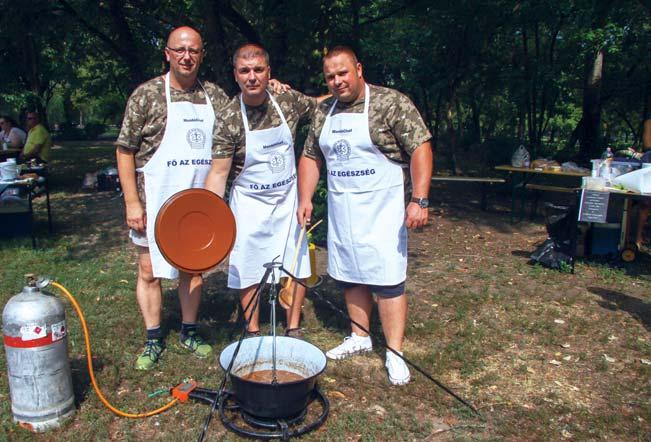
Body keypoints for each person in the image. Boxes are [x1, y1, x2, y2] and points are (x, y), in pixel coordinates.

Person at [297, 46, 433, 385]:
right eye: (330, 77)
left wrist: (420, 199)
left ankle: (395, 351)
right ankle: (359, 336)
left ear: (358, 68)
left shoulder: (390, 103)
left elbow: (421, 147)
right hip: (344, 208)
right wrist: (305, 197)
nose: (337, 81)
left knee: (387, 278)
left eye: (343, 73)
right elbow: (311, 157)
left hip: (383, 209)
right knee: (350, 272)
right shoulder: (324, 111)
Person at [116, 26, 229, 370]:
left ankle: (189, 331)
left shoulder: (215, 96)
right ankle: (153, 338)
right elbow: (125, 150)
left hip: (198, 201)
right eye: (179, 50)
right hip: (155, 196)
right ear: (167, 53)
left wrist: (274, 88)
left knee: (193, 270)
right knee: (149, 269)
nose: (186, 56)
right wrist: (132, 203)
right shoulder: (147, 95)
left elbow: (245, 118)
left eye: (193, 50)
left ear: (201, 54)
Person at [205, 43, 317, 338]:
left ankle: (293, 327)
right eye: (245, 71)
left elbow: (322, 106)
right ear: (236, 75)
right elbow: (218, 173)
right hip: (249, 201)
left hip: (287, 198)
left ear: (269, 72)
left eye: (258, 70)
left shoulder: (288, 101)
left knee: (297, 260)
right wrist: (209, 218)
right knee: (248, 264)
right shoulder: (229, 117)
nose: (252, 77)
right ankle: (253, 329)